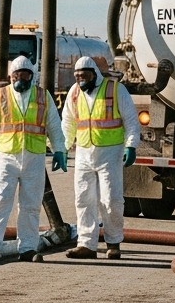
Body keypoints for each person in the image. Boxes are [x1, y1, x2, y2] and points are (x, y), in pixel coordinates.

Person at [0, 55, 67, 262]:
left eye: (24, 75)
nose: (20, 79)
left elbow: (54, 125)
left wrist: (59, 150)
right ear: (10, 76)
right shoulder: (0, 96)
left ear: (31, 76)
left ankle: (27, 248)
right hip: (8, 157)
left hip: (34, 158)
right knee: (0, 200)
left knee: (31, 205)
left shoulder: (43, 96)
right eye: (16, 75)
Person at [60, 56, 140, 259]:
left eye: (84, 75)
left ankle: (113, 243)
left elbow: (131, 119)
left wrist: (131, 145)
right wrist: (62, 148)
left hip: (110, 153)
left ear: (94, 74)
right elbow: (68, 122)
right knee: (83, 198)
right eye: (77, 76)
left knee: (111, 199)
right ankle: (86, 244)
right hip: (84, 152)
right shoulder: (75, 92)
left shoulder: (115, 90)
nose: (81, 79)